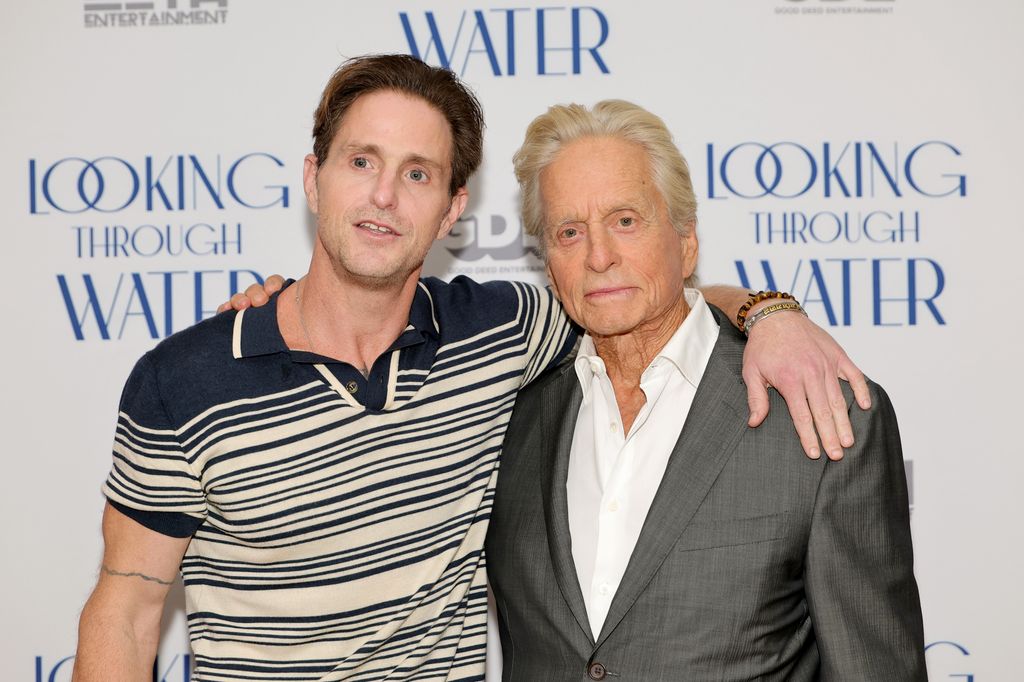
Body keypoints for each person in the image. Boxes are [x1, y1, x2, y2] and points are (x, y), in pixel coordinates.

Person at [73, 55, 868, 681]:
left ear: (453, 208)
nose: (385, 196)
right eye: (361, 162)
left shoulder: (500, 332)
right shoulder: (181, 382)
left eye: (417, 173)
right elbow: (127, 611)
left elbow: (643, 293)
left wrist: (770, 313)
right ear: (314, 179)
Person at [485, 100, 925, 680]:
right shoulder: (506, 415)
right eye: (570, 232)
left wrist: (770, 311)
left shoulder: (819, 412)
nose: (599, 256)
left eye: (625, 221)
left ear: (686, 240)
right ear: (548, 264)